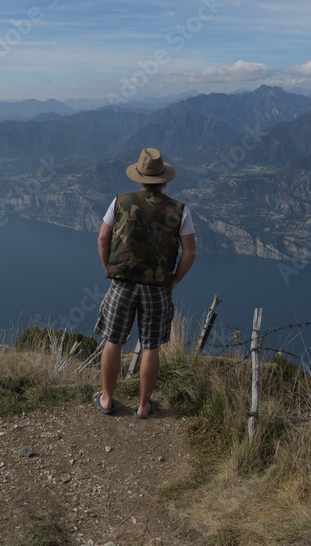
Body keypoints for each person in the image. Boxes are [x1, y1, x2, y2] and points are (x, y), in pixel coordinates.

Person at [93, 147, 196, 418]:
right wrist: (173, 280)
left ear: (139, 178)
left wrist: (109, 270)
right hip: (157, 288)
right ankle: (143, 405)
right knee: (150, 346)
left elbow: (103, 239)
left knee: (113, 341)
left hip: (122, 283)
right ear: (164, 180)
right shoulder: (180, 210)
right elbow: (190, 252)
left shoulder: (120, 201)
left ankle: (106, 399)